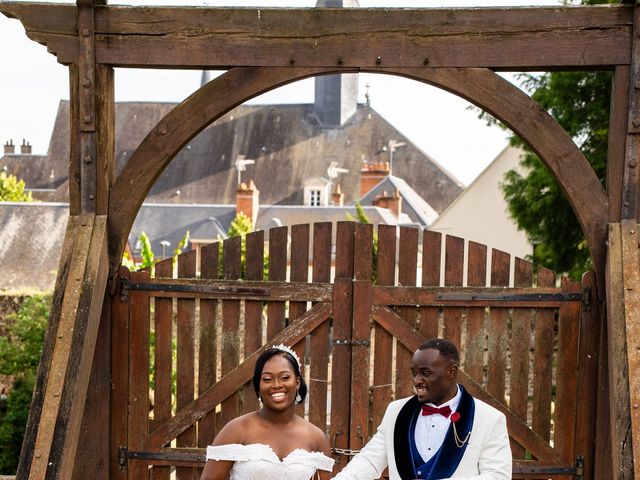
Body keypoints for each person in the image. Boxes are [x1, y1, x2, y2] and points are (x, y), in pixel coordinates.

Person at [332, 338, 511, 480]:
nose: (417, 380)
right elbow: (370, 460)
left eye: (426, 373)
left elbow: (498, 476)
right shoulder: (396, 411)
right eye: (414, 373)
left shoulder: (489, 418)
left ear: (451, 372)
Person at [200, 344, 334, 480]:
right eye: (267, 379)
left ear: (297, 382)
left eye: (285, 377)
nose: (276, 385)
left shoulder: (316, 438)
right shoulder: (236, 430)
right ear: (258, 385)